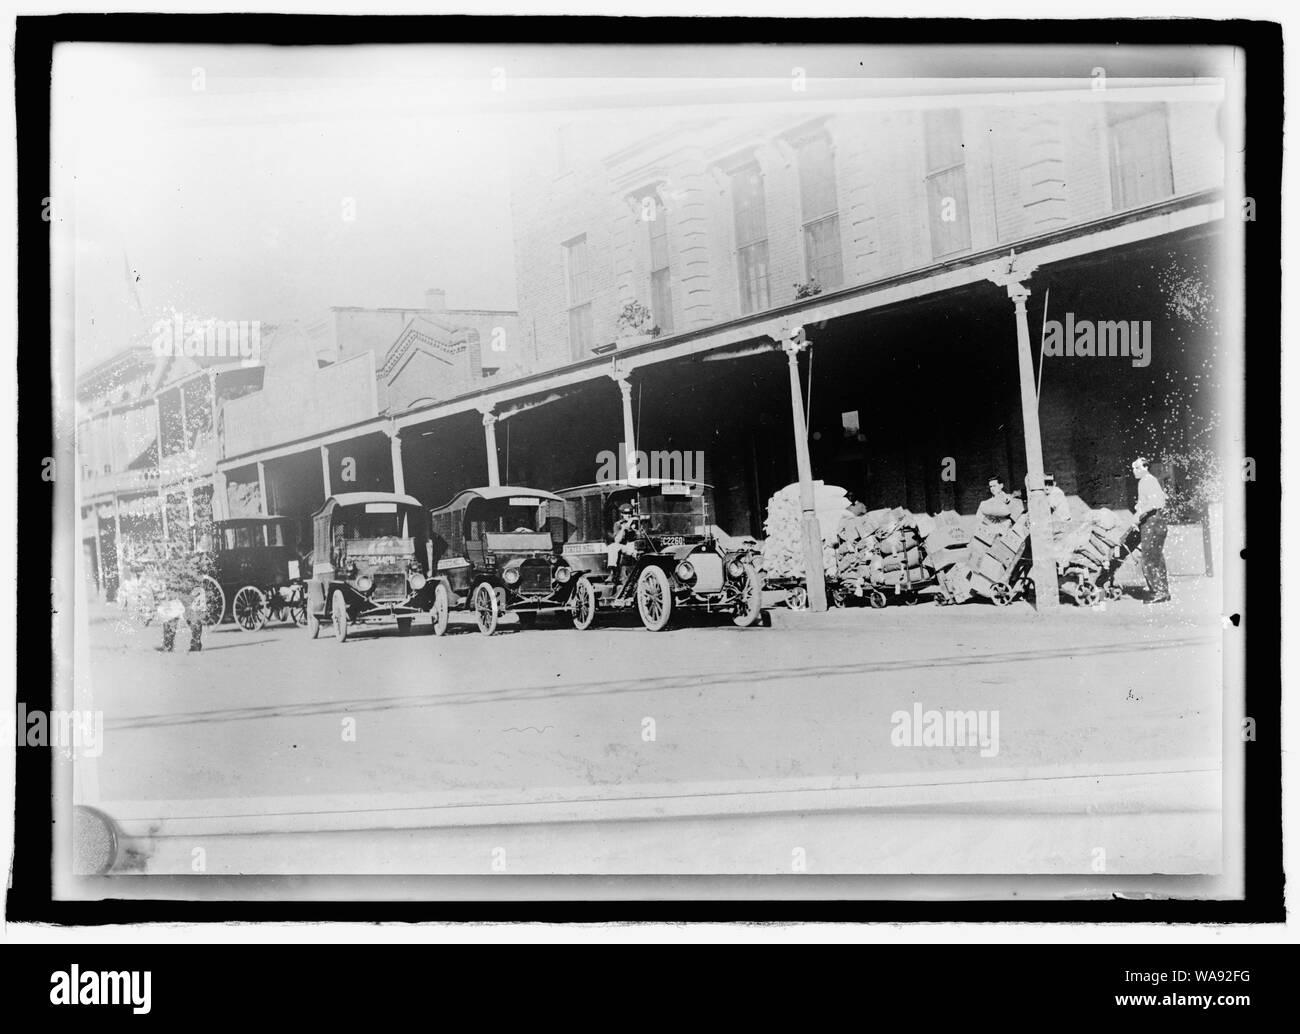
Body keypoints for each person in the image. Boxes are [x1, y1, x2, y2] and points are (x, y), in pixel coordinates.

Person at [1131, 456, 1171, 604]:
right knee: (1156, 557)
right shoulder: (1146, 481)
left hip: (1153, 522)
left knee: (1149, 558)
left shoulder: (1148, 481)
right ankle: (1162, 591)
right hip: (1153, 522)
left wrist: (1139, 515)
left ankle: (1158, 592)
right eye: (1133, 468)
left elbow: (1156, 502)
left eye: (1137, 468)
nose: (1134, 471)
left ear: (1145, 468)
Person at [607, 501, 641, 588]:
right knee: (613, 547)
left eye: (630, 513)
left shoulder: (637, 522)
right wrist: (624, 529)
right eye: (626, 513)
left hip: (637, 545)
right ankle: (613, 571)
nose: (628, 515)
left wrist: (635, 528)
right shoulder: (618, 524)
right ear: (622, 514)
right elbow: (617, 540)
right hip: (626, 546)